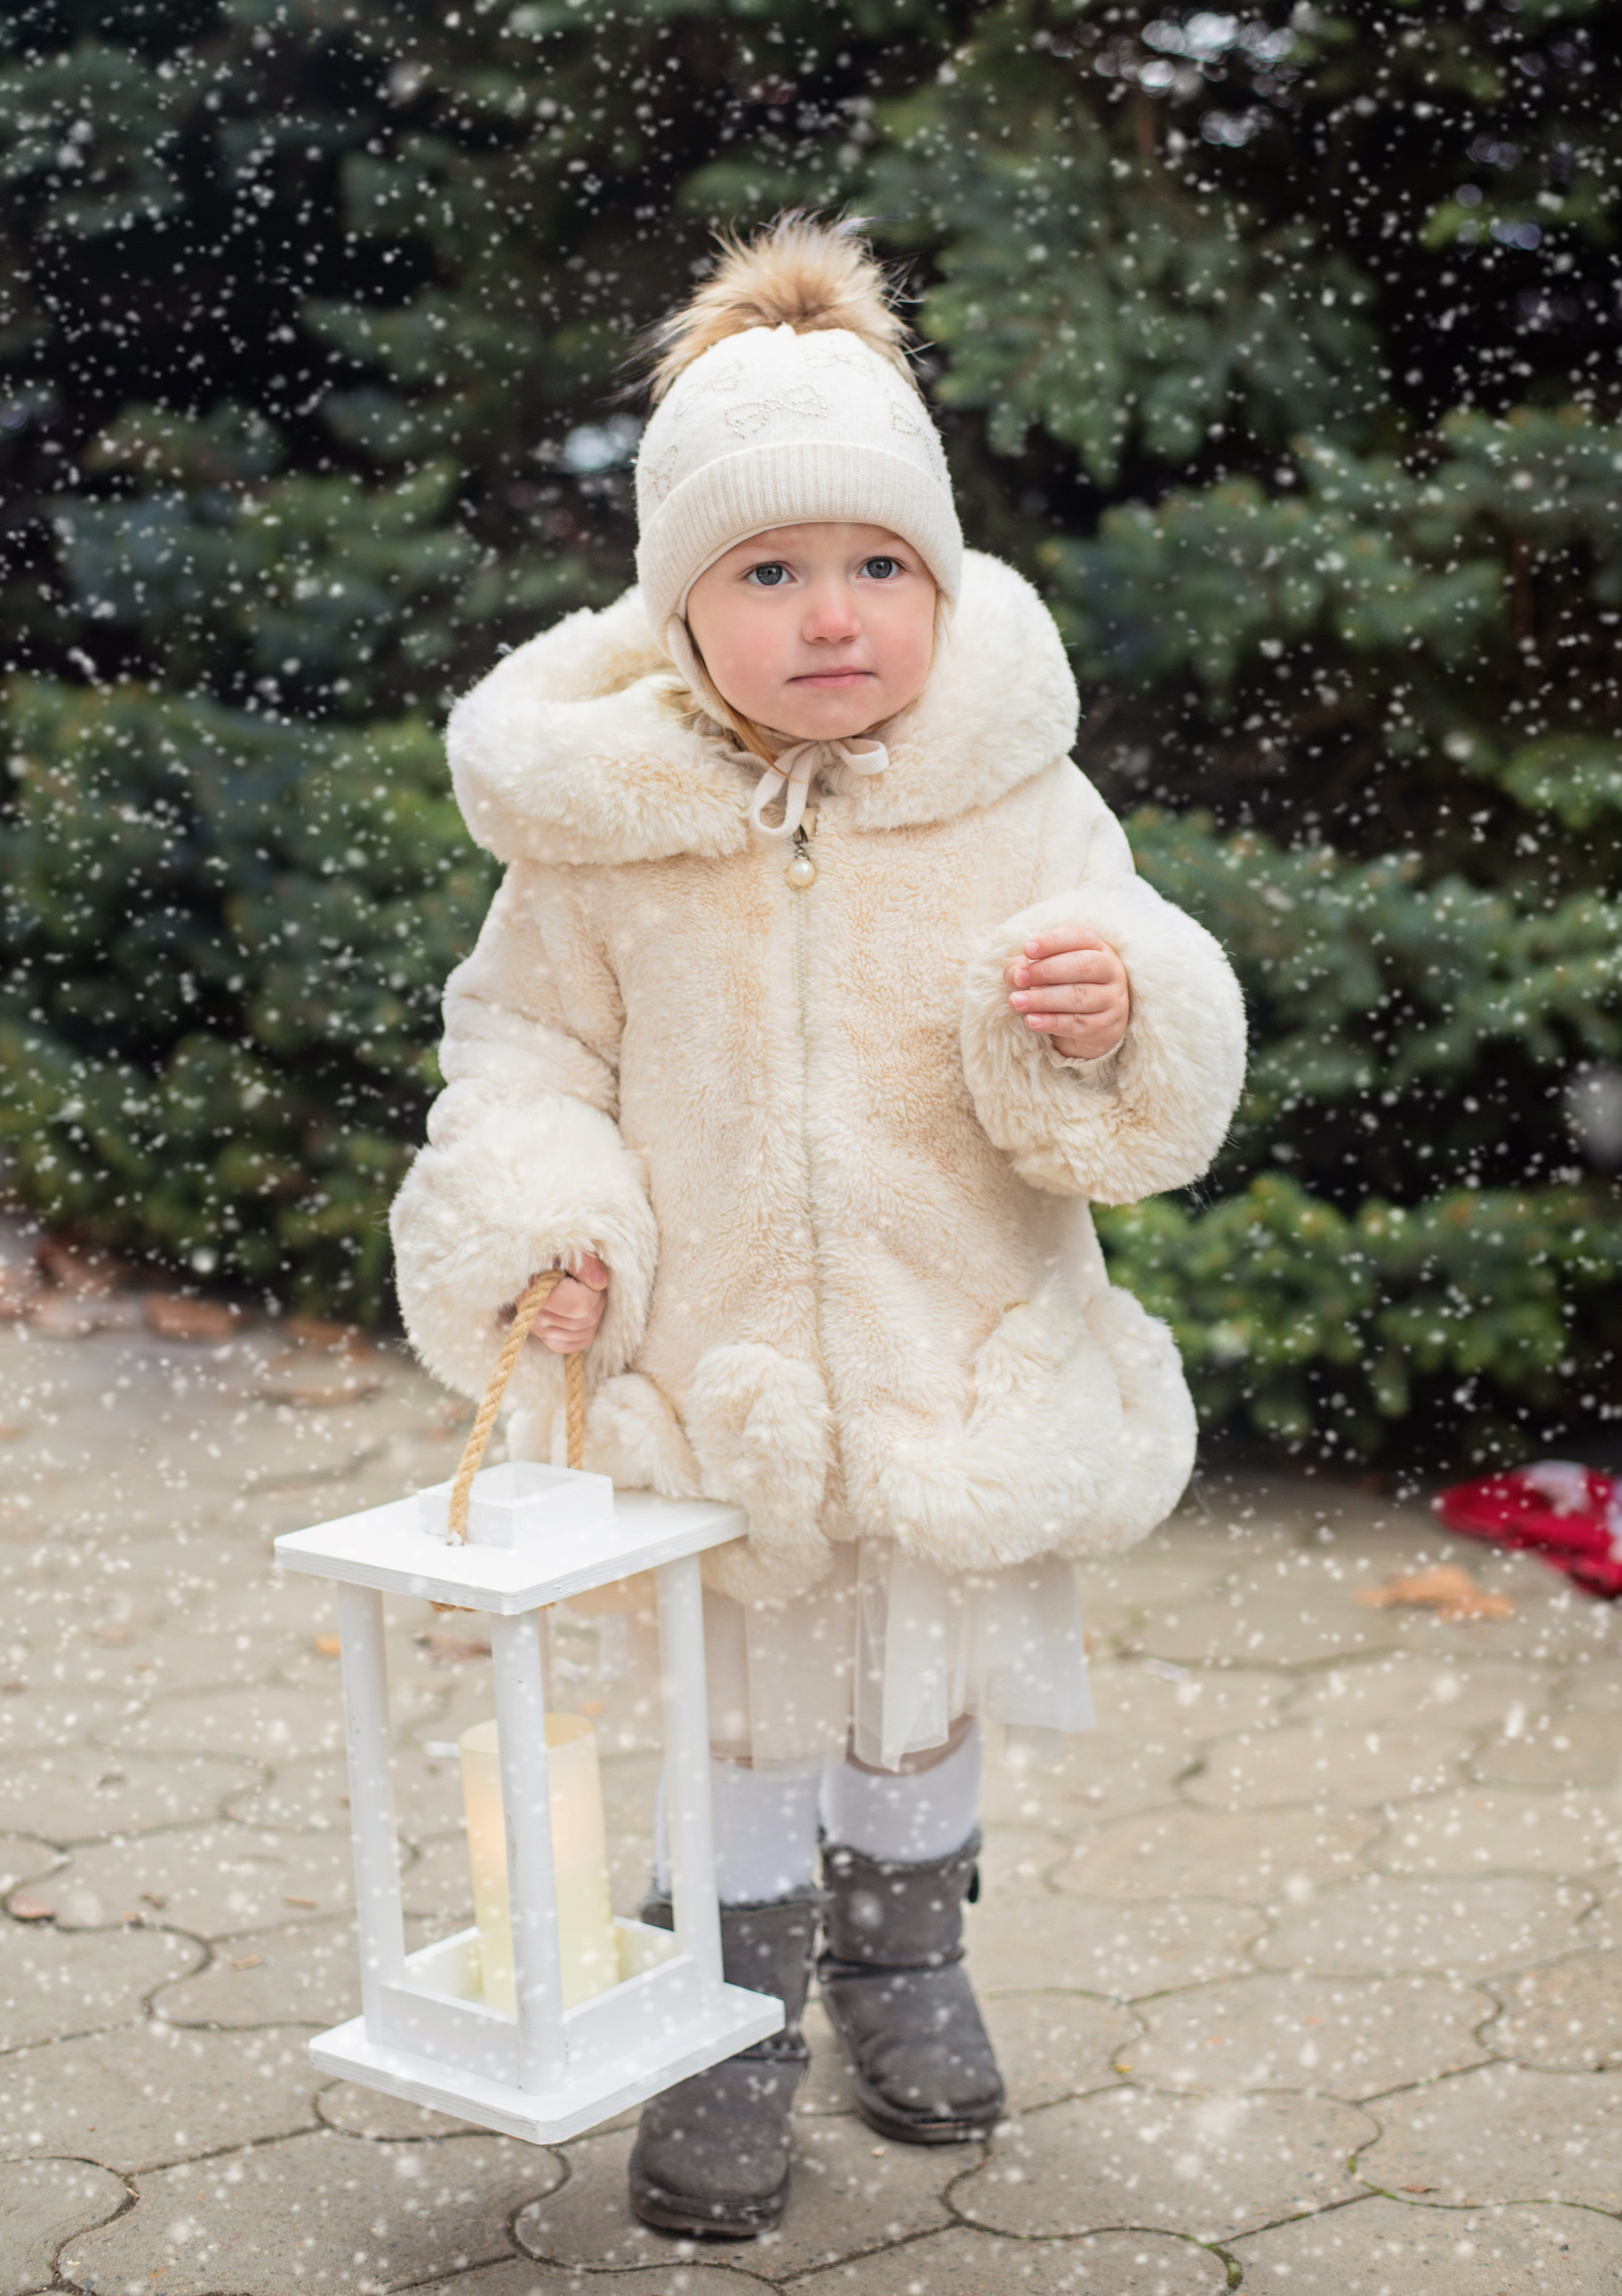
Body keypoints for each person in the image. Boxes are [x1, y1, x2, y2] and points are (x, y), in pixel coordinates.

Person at [391, 213, 1246, 2238]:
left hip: (954, 1348)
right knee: (743, 1709)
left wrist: (1112, 1013)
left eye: (880, 566)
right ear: (682, 608)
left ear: (940, 584)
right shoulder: (602, 837)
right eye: (769, 573)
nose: (833, 614)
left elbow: (1137, 973)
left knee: (918, 1683)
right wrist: (550, 1224)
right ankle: (732, 2010)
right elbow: (521, 1052)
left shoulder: (1016, 797)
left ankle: (905, 1946)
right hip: (718, 1375)